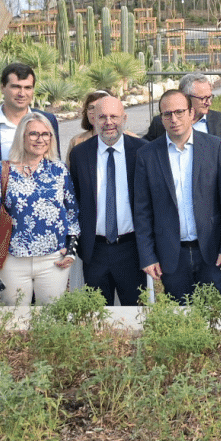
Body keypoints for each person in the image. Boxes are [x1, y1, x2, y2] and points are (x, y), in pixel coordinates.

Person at [0, 62, 60, 305]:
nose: (22, 93)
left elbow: (53, 168)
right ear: (2, 88)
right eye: (16, 86)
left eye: (28, 87)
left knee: (42, 300)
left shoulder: (47, 121)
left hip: (38, 228)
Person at [134, 89, 221, 302]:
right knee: (178, 315)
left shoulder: (215, 147)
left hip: (212, 252)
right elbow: (142, 211)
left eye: (179, 112)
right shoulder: (147, 155)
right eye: (167, 114)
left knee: (214, 313)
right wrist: (148, 256)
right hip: (172, 255)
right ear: (161, 118)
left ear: (191, 113)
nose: (174, 119)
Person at [0, 113, 79, 306]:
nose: (40, 139)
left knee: (50, 316)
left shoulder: (59, 170)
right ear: (21, 137)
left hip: (53, 260)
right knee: (15, 317)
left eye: (45, 134)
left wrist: (71, 248)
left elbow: (72, 212)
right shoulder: (2, 171)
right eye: (33, 134)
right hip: (12, 260)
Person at [68, 95, 146, 305]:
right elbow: (75, 200)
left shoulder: (142, 151)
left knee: (136, 312)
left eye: (114, 116)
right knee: (97, 314)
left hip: (132, 250)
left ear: (124, 118)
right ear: (93, 119)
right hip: (95, 251)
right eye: (102, 117)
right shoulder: (80, 154)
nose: (108, 122)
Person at [144, 73, 221, 157]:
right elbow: (144, 150)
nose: (208, 103)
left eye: (210, 97)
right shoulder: (161, 123)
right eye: (203, 98)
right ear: (185, 97)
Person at [65, 90, 111, 160]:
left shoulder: (128, 140)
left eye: (100, 106)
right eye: (91, 108)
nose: (95, 111)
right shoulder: (76, 141)